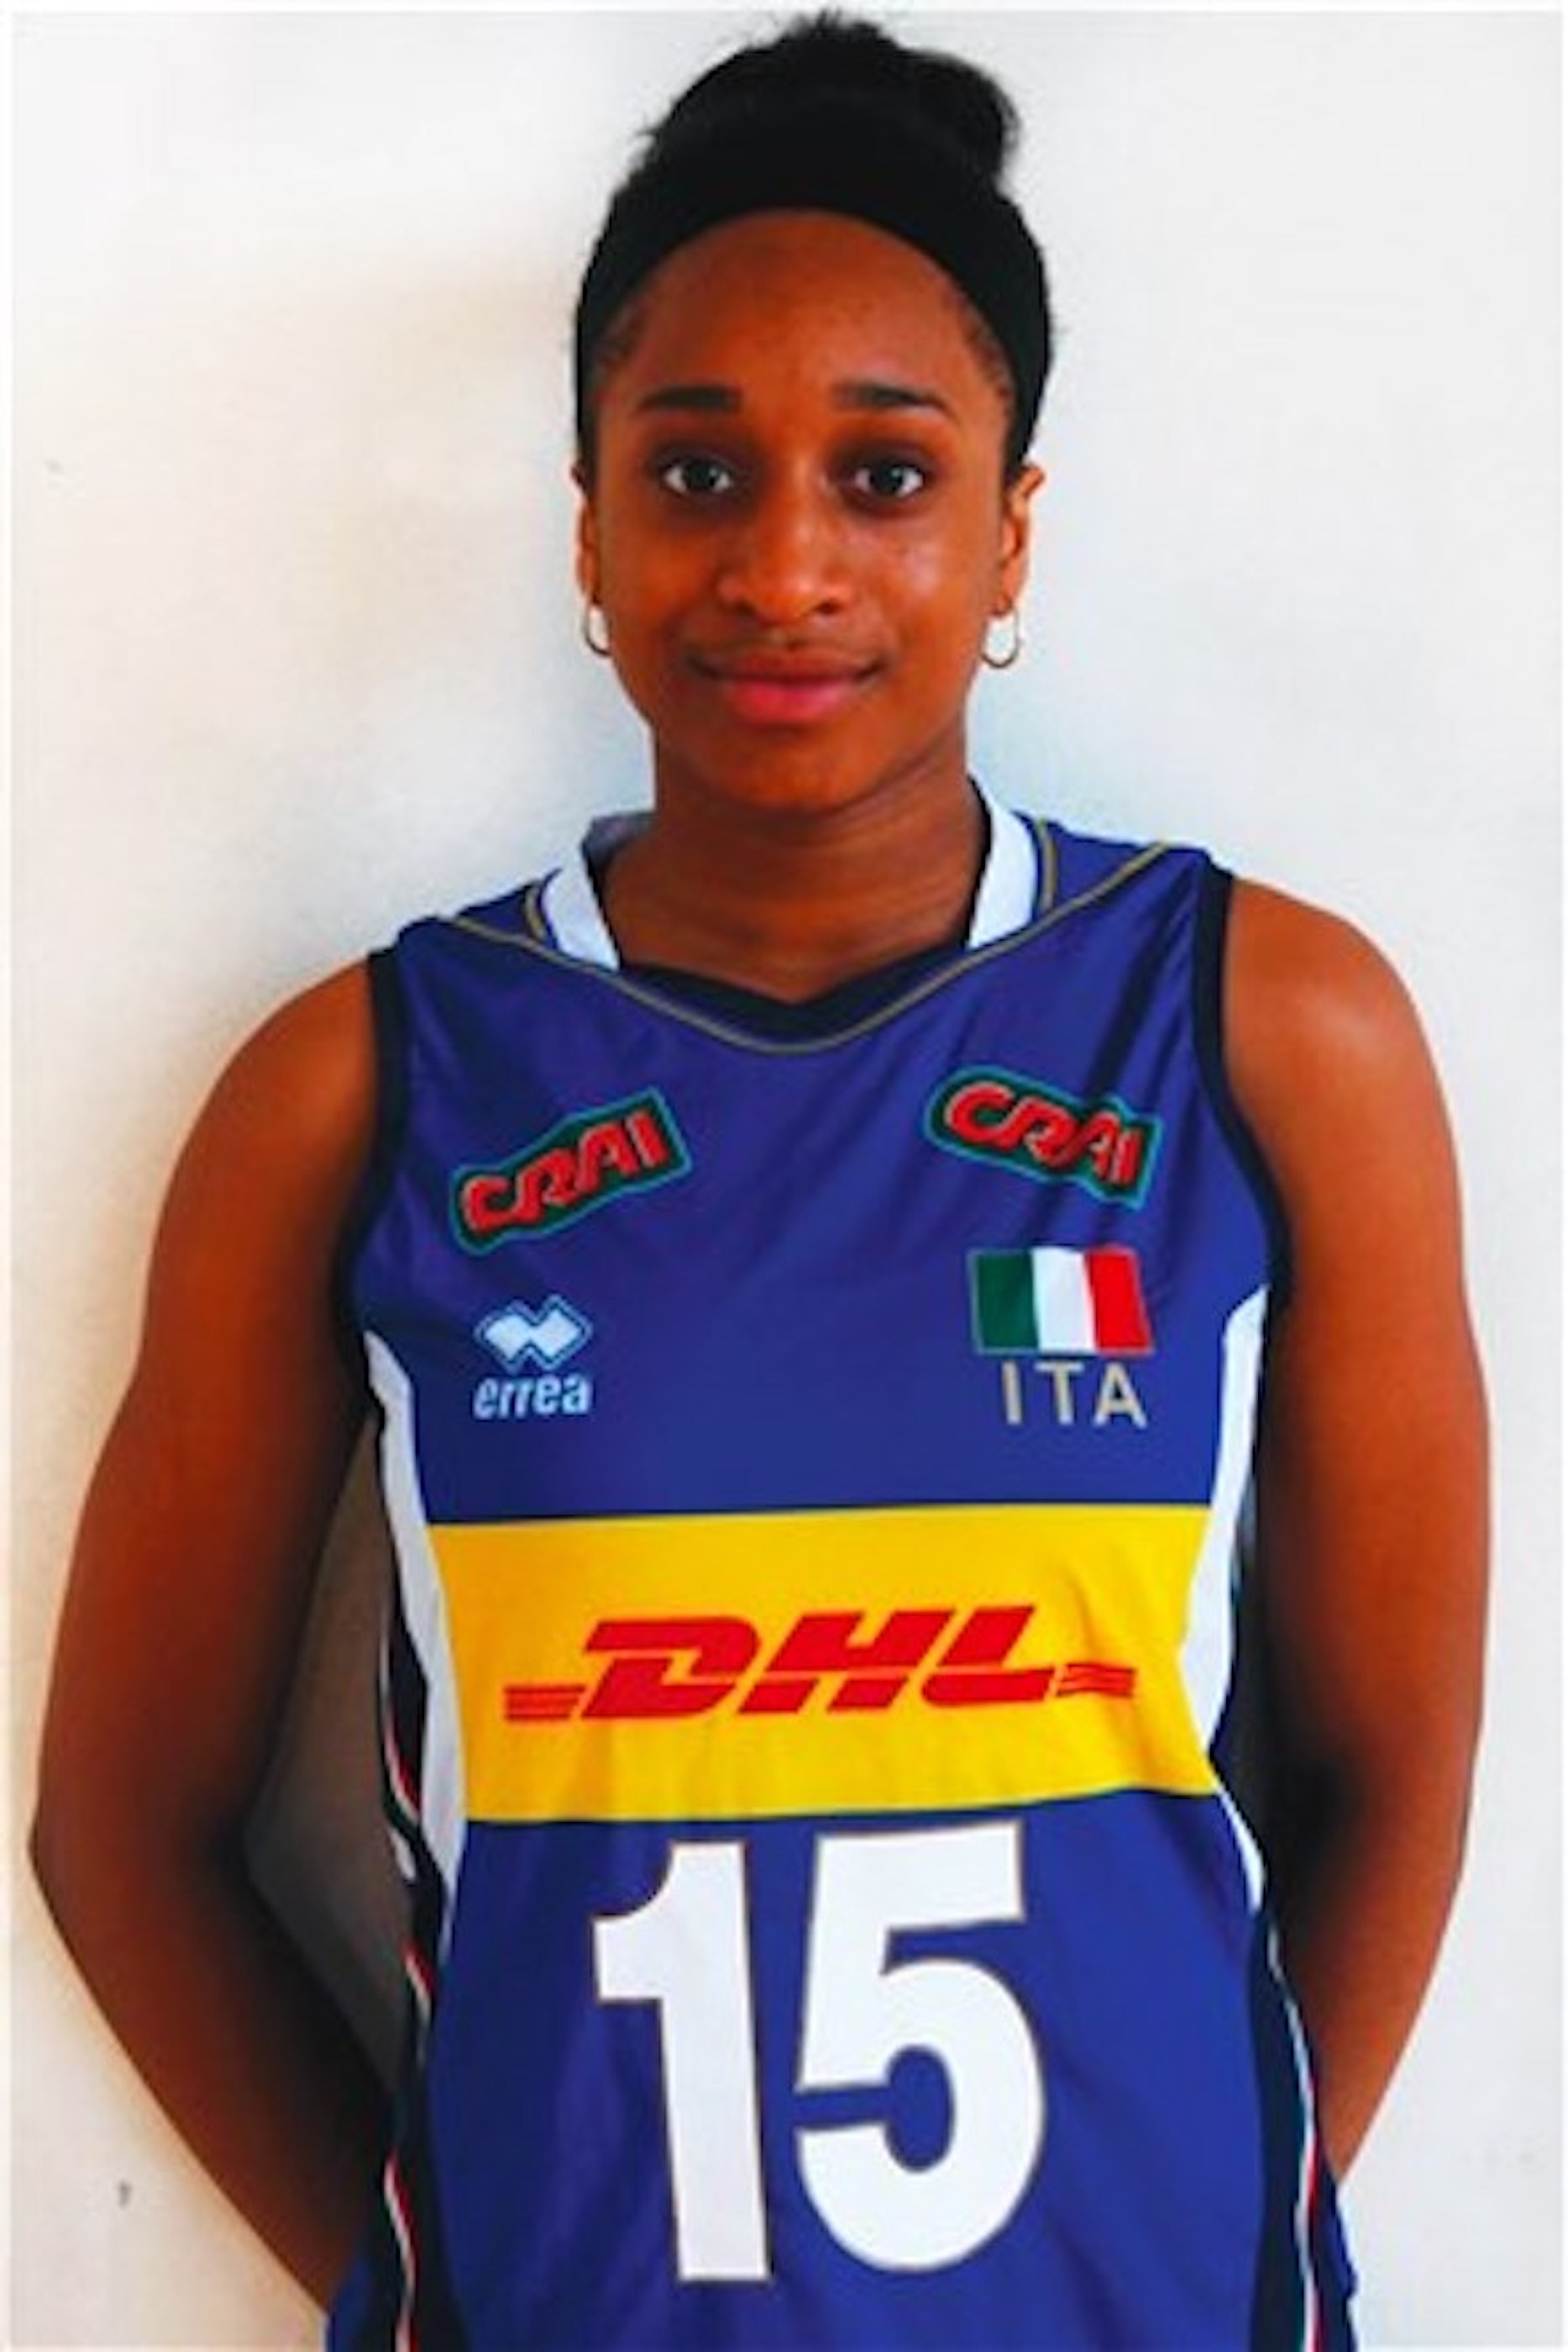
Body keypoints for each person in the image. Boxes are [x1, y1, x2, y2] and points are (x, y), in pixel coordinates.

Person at [31, 14, 1487, 2347]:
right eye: (695, 473)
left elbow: (1386, 1763)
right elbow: (122, 1825)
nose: (785, 564)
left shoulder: (1264, 1033)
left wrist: (1246, 2214)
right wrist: (419, 2291)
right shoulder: (362, 1089)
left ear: (1009, 533)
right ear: (590, 533)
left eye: (884, 476)